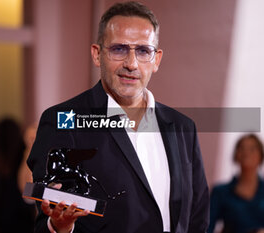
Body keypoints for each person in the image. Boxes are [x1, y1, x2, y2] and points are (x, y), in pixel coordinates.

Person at [27, 2, 209, 233]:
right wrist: (60, 226)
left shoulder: (183, 127)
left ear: (156, 59)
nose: (131, 64)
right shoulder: (63, 121)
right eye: (119, 49)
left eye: (143, 51)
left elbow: (198, 217)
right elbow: (48, 219)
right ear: (97, 54)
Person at [208, 134, 264, 233]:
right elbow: (207, 227)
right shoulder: (220, 192)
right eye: (241, 148)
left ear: (261, 156)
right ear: (236, 155)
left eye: (252, 149)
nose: (246, 153)